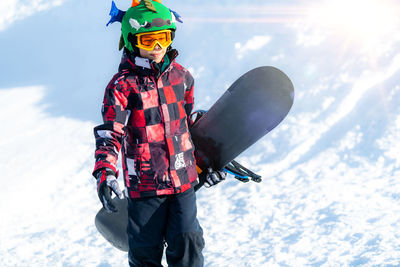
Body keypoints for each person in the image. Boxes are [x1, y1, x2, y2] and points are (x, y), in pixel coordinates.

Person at [92, 1, 226, 266]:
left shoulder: (182, 77)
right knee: (145, 252)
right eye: (149, 39)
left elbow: (186, 128)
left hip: (182, 178)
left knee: (188, 242)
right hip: (145, 185)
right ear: (131, 41)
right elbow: (111, 134)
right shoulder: (122, 87)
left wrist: (207, 163)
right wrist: (105, 173)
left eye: (163, 38)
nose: (157, 47)